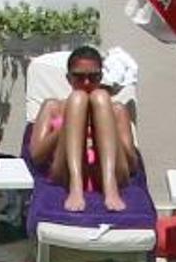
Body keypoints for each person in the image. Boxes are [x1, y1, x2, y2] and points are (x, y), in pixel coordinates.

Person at [28, 43, 137, 215]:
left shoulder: (116, 110)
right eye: (79, 77)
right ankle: (76, 186)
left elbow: (132, 164)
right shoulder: (52, 107)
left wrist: (107, 128)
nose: (86, 82)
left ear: (101, 77)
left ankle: (110, 187)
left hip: (112, 173)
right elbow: (37, 157)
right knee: (78, 98)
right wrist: (68, 125)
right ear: (68, 78)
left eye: (93, 77)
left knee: (100, 96)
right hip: (65, 172)